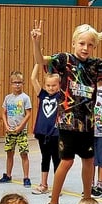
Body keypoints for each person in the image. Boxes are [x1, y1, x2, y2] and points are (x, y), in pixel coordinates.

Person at [30, 21, 102, 204]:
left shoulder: (95, 65)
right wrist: (36, 42)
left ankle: (87, 198)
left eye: (90, 45)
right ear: (74, 43)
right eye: (81, 43)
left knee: (89, 161)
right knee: (66, 161)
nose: (85, 48)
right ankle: (54, 200)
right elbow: (41, 61)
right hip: (67, 123)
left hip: (88, 124)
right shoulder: (64, 60)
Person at [30, 64, 62, 195]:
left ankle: (57, 186)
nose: (51, 88)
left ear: (59, 85)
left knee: (57, 159)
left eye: (54, 85)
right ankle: (43, 184)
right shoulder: (42, 94)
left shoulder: (61, 96)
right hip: (43, 132)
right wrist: (38, 63)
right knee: (45, 157)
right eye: (48, 85)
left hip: (56, 132)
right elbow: (33, 79)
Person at [0, 71, 33, 187]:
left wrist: (20, 127)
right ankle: (8, 175)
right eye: (15, 82)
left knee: (24, 154)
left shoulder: (25, 98)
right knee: (9, 153)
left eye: (19, 82)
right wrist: (6, 125)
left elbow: (28, 114)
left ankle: (26, 177)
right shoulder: (8, 98)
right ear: (11, 83)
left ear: (23, 83)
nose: (17, 85)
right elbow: (3, 112)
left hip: (21, 131)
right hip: (10, 130)